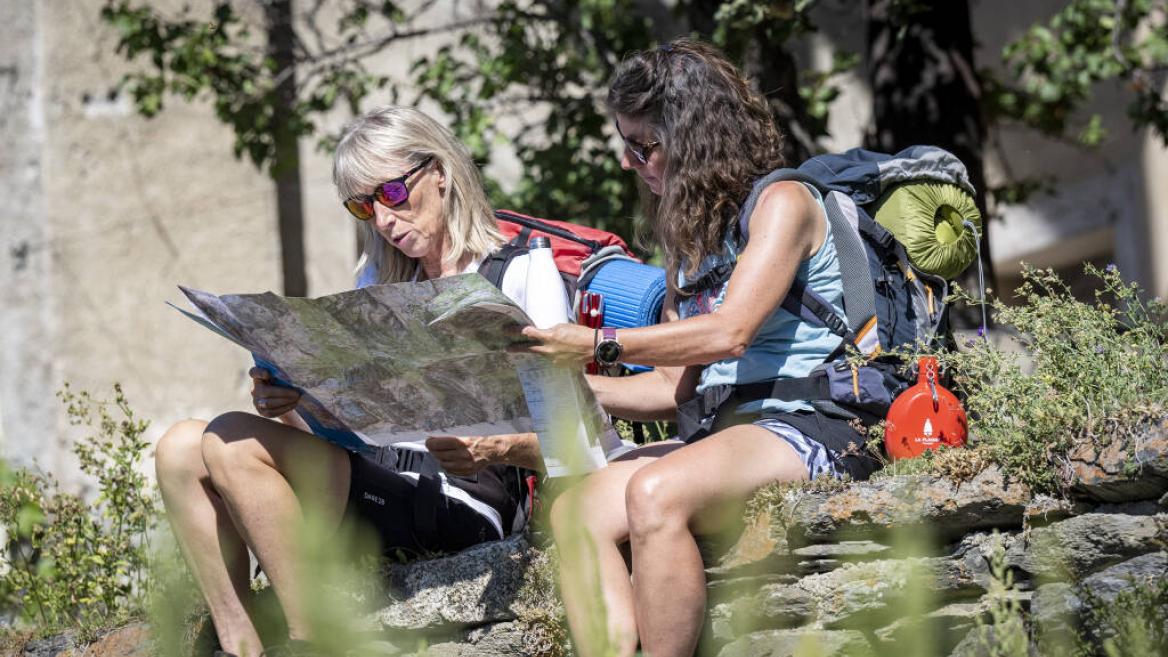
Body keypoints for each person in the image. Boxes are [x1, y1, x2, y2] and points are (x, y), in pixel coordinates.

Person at [154, 105, 587, 657]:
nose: (382, 219)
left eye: (392, 194)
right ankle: (241, 645)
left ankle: (313, 639)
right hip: (375, 474)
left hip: (465, 497)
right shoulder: (375, 279)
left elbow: (573, 440)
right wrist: (295, 399)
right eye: (363, 205)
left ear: (441, 173)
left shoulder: (523, 271)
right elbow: (361, 424)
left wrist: (493, 447)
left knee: (228, 444)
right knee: (179, 449)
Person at [522, 39, 881, 657]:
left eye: (644, 146)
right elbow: (670, 389)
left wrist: (599, 343)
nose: (633, 163)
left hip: (821, 423)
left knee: (655, 492)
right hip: (730, 428)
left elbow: (730, 332)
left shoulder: (783, 204)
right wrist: (549, 384)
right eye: (626, 147)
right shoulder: (690, 242)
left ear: (693, 137)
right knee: (574, 512)